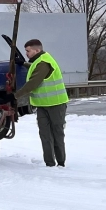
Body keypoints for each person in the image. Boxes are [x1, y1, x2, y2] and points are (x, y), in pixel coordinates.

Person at [14, 39, 69, 167]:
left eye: (28, 51)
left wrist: (15, 96)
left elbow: (33, 82)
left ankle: (61, 163)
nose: (26, 53)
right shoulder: (39, 61)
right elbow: (35, 68)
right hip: (42, 105)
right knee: (45, 134)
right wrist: (23, 64)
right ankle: (49, 163)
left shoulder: (45, 62)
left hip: (56, 104)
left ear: (37, 50)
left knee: (57, 133)